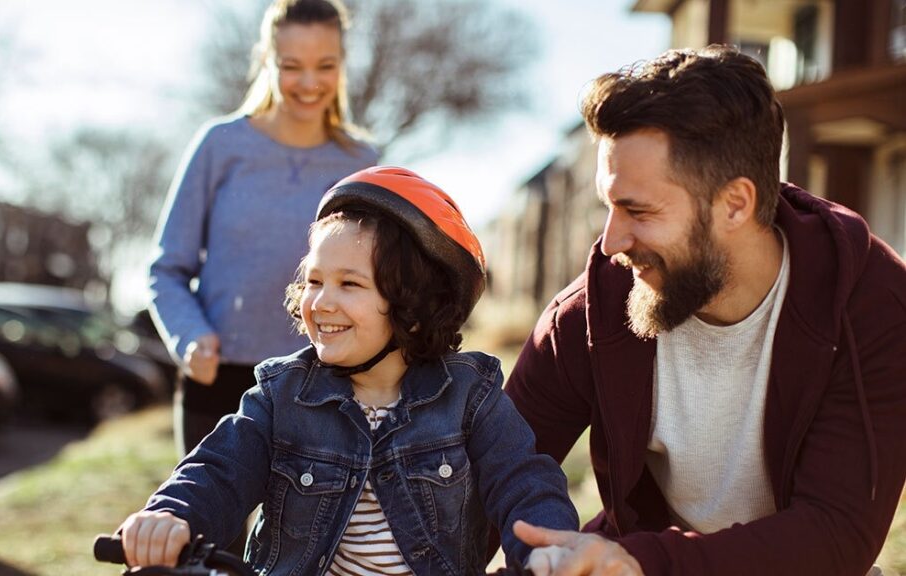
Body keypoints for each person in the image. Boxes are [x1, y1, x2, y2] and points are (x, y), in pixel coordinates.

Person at [505, 45, 906, 576]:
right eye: (610, 206)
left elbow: (834, 533)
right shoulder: (589, 314)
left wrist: (640, 563)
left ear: (735, 204)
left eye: (639, 211)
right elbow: (492, 476)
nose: (609, 243)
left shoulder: (874, 306)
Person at [120, 166, 579, 575]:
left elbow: (525, 482)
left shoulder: (469, 398)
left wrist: (551, 548)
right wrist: (171, 516)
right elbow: (217, 471)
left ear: (414, 309)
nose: (321, 302)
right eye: (314, 281)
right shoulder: (281, 397)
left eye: (349, 284)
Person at [149, 0, 378, 459]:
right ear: (265, 60)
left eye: (325, 65)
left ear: (342, 66)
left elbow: (378, 276)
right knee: (211, 531)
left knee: (299, 534)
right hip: (219, 380)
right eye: (291, 66)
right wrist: (190, 337)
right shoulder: (221, 145)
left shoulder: (363, 162)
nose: (309, 83)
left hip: (322, 382)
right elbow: (166, 268)